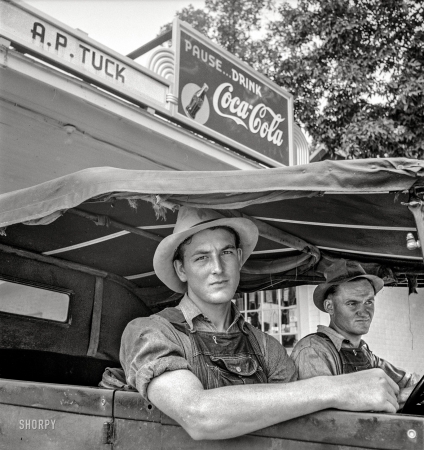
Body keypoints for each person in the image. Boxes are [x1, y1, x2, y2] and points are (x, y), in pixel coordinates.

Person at [120, 207, 400, 441]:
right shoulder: (150, 332)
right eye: (202, 257)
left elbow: (299, 425)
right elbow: (197, 414)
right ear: (182, 269)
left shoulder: (267, 347)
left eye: (227, 253)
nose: (218, 268)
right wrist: (337, 388)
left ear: (239, 258)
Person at [291, 259, 421, 409]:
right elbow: (325, 418)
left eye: (369, 302)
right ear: (329, 306)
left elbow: (409, 382)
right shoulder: (313, 351)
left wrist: (408, 390)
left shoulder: (363, 353)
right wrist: (401, 396)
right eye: (352, 303)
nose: (364, 312)